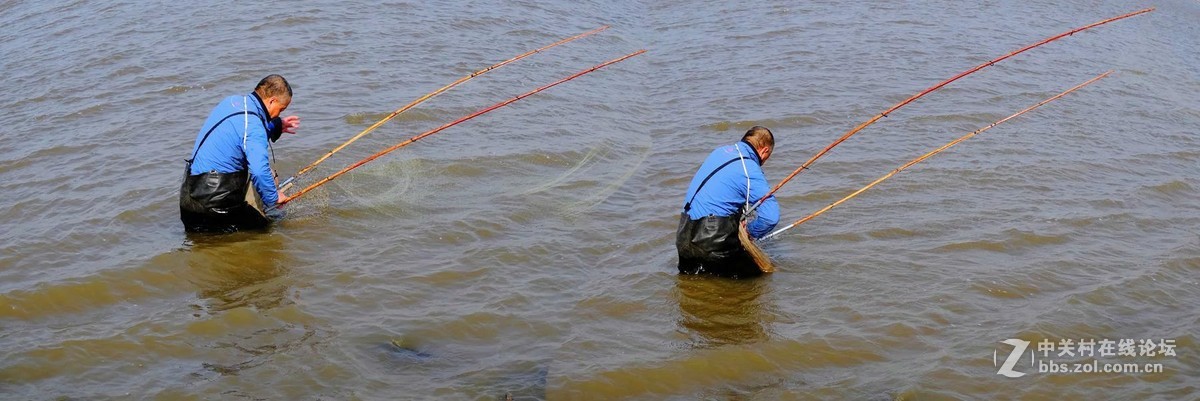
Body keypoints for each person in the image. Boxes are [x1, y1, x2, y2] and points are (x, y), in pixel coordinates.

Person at [179, 74, 300, 232]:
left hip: (189, 197)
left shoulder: (231, 102)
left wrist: (275, 126)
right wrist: (274, 197)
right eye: (281, 109)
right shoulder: (254, 126)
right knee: (267, 231)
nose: (278, 114)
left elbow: (240, 130)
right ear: (272, 101)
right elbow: (259, 170)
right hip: (214, 207)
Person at [676, 126, 780, 278]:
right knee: (758, 283)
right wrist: (749, 232)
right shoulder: (749, 168)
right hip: (714, 241)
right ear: (764, 151)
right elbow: (771, 217)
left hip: (684, 236)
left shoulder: (719, 152)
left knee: (693, 286)